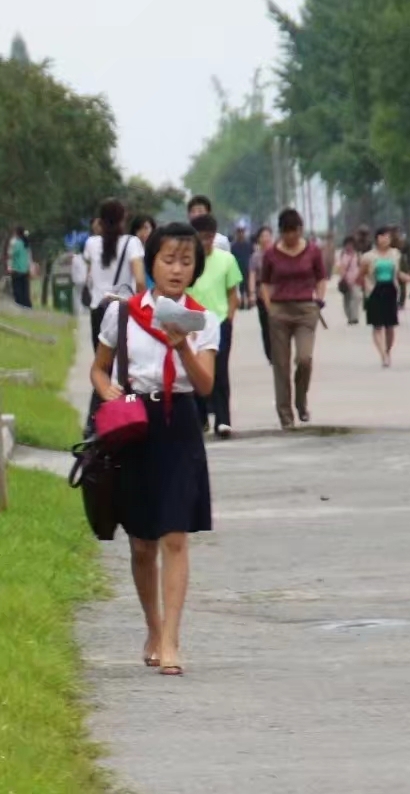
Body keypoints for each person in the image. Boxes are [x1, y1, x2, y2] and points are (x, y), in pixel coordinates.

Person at [91, 222, 220, 676]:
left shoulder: (204, 321)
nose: (177, 269)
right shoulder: (123, 313)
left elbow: (204, 385)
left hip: (179, 425)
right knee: (143, 542)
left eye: (186, 261)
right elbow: (100, 369)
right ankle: (152, 625)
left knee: (175, 537)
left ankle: (171, 640)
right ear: (152, 262)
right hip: (134, 427)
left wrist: (181, 344)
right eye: (168, 259)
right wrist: (106, 391)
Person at [261, 208, 327, 429]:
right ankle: (285, 415)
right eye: (286, 232)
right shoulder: (270, 254)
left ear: (301, 230)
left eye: (295, 232)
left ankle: (301, 401)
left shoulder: (313, 251)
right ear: (281, 232)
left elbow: (321, 277)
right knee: (281, 365)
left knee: (304, 359)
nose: (291, 237)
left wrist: (319, 299)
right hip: (279, 310)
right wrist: (269, 307)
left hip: (305, 310)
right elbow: (265, 282)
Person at [189, 214, 242, 437]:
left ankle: (223, 419)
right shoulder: (188, 261)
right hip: (193, 323)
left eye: (209, 238)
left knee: (220, 371)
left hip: (219, 321)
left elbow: (233, 294)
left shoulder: (226, 259)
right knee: (195, 371)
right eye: (201, 238)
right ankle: (201, 418)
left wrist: (229, 318)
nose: (206, 243)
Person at [84, 199, 146, 351]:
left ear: (100, 221)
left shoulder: (91, 243)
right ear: (123, 219)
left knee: (102, 365)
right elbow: (139, 280)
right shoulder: (131, 243)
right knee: (123, 365)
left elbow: (90, 273)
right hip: (123, 310)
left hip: (98, 309)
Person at [360, 227, 410, 368]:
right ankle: (383, 355)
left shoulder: (395, 254)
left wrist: (409, 278)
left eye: (387, 237)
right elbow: (362, 273)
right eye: (381, 237)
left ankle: (388, 351)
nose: (384, 240)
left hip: (390, 290)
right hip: (375, 290)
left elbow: (398, 272)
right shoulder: (368, 256)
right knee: (377, 325)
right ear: (377, 239)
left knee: (390, 326)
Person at [248, 226, 274, 363]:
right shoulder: (255, 257)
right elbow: (252, 276)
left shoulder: (278, 253)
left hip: (277, 295)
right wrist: (251, 293)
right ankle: (270, 354)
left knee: (278, 325)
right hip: (261, 295)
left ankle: (280, 351)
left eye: (268, 235)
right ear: (259, 239)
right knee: (266, 326)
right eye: (263, 236)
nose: (266, 238)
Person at [337, 235, 362, 325]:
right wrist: (343, 277)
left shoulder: (357, 255)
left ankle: (354, 317)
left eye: (351, 244)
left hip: (356, 280)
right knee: (347, 300)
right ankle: (349, 316)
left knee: (356, 298)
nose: (349, 246)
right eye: (347, 244)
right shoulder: (343, 255)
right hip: (346, 280)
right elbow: (340, 268)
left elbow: (361, 266)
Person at [391, 226, 410, 309]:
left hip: (402, 264)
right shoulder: (390, 242)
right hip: (392, 264)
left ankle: (401, 302)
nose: (395, 234)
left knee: (402, 285)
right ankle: (394, 301)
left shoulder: (404, 242)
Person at [231, 222, 254, 309]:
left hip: (247, 268)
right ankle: (241, 303)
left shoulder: (249, 245)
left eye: (242, 232)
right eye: (239, 232)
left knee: (247, 286)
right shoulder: (233, 246)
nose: (241, 234)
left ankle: (249, 302)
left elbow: (252, 255)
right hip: (237, 268)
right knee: (240, 288)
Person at [8, 227, 32, 308]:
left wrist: (9, 267)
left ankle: (19, 305)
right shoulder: (26, 243)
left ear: (17, 233)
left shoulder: (16, 243)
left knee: (17, 290)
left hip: (16, 269)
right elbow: (29, 257)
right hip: (25, 270)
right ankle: (27, 306)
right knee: (25, 289)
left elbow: (11, 255)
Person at [131, 214, 157, 287]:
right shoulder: (131, 251)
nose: (142, 232)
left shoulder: (157, 250)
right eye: (139, 229)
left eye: (146, 228)